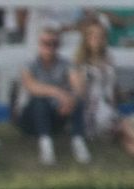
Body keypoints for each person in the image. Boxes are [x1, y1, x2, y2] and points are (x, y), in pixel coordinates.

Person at [15, 28, 89, 165]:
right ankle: (45, 144)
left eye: (53, 43)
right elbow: (32, 86)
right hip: (29, 117)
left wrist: (71, 99)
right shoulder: (29, 64)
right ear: (39, 44)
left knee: (78, 100)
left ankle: (78, 140)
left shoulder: (66, 64)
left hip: (57, 112)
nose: (50, 47)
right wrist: (59, 93)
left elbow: (78, 85)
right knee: (39, 101)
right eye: (46, 43)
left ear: (58, 45)